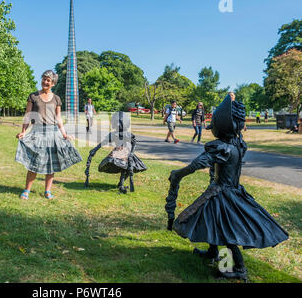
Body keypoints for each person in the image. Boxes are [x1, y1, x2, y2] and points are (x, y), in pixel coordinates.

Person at [165, 95, 288, 280]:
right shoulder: (237, 145)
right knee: (212, 221)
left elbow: (197, 164)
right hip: (229, 190)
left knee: (227, 232)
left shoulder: (222, 148)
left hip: (223, 193)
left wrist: (178, 174)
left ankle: (239, 269)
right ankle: (213, 253)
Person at [15, 70, 82, 200]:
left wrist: (64, 134)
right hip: (37, 132)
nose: (45, 82)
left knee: (51, 165)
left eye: (48, 80)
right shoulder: (33, 96)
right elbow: (28, 116)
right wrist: (23, 131)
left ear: (52, 83)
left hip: (53, 133)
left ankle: (47, 191)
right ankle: (27, 190)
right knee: (34, 163)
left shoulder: (56, 98)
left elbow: (58, 118)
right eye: (44, 79)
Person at [84, 112, 147, 194]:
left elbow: (134, 143)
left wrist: (131, 153)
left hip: (126, 153)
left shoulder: (127, 134)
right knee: (124, 168)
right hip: (118, 152)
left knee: (127, 169)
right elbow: (104, 142)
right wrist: (95, 149)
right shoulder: (114, 134)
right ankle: (121, 185)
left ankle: (121, 184)